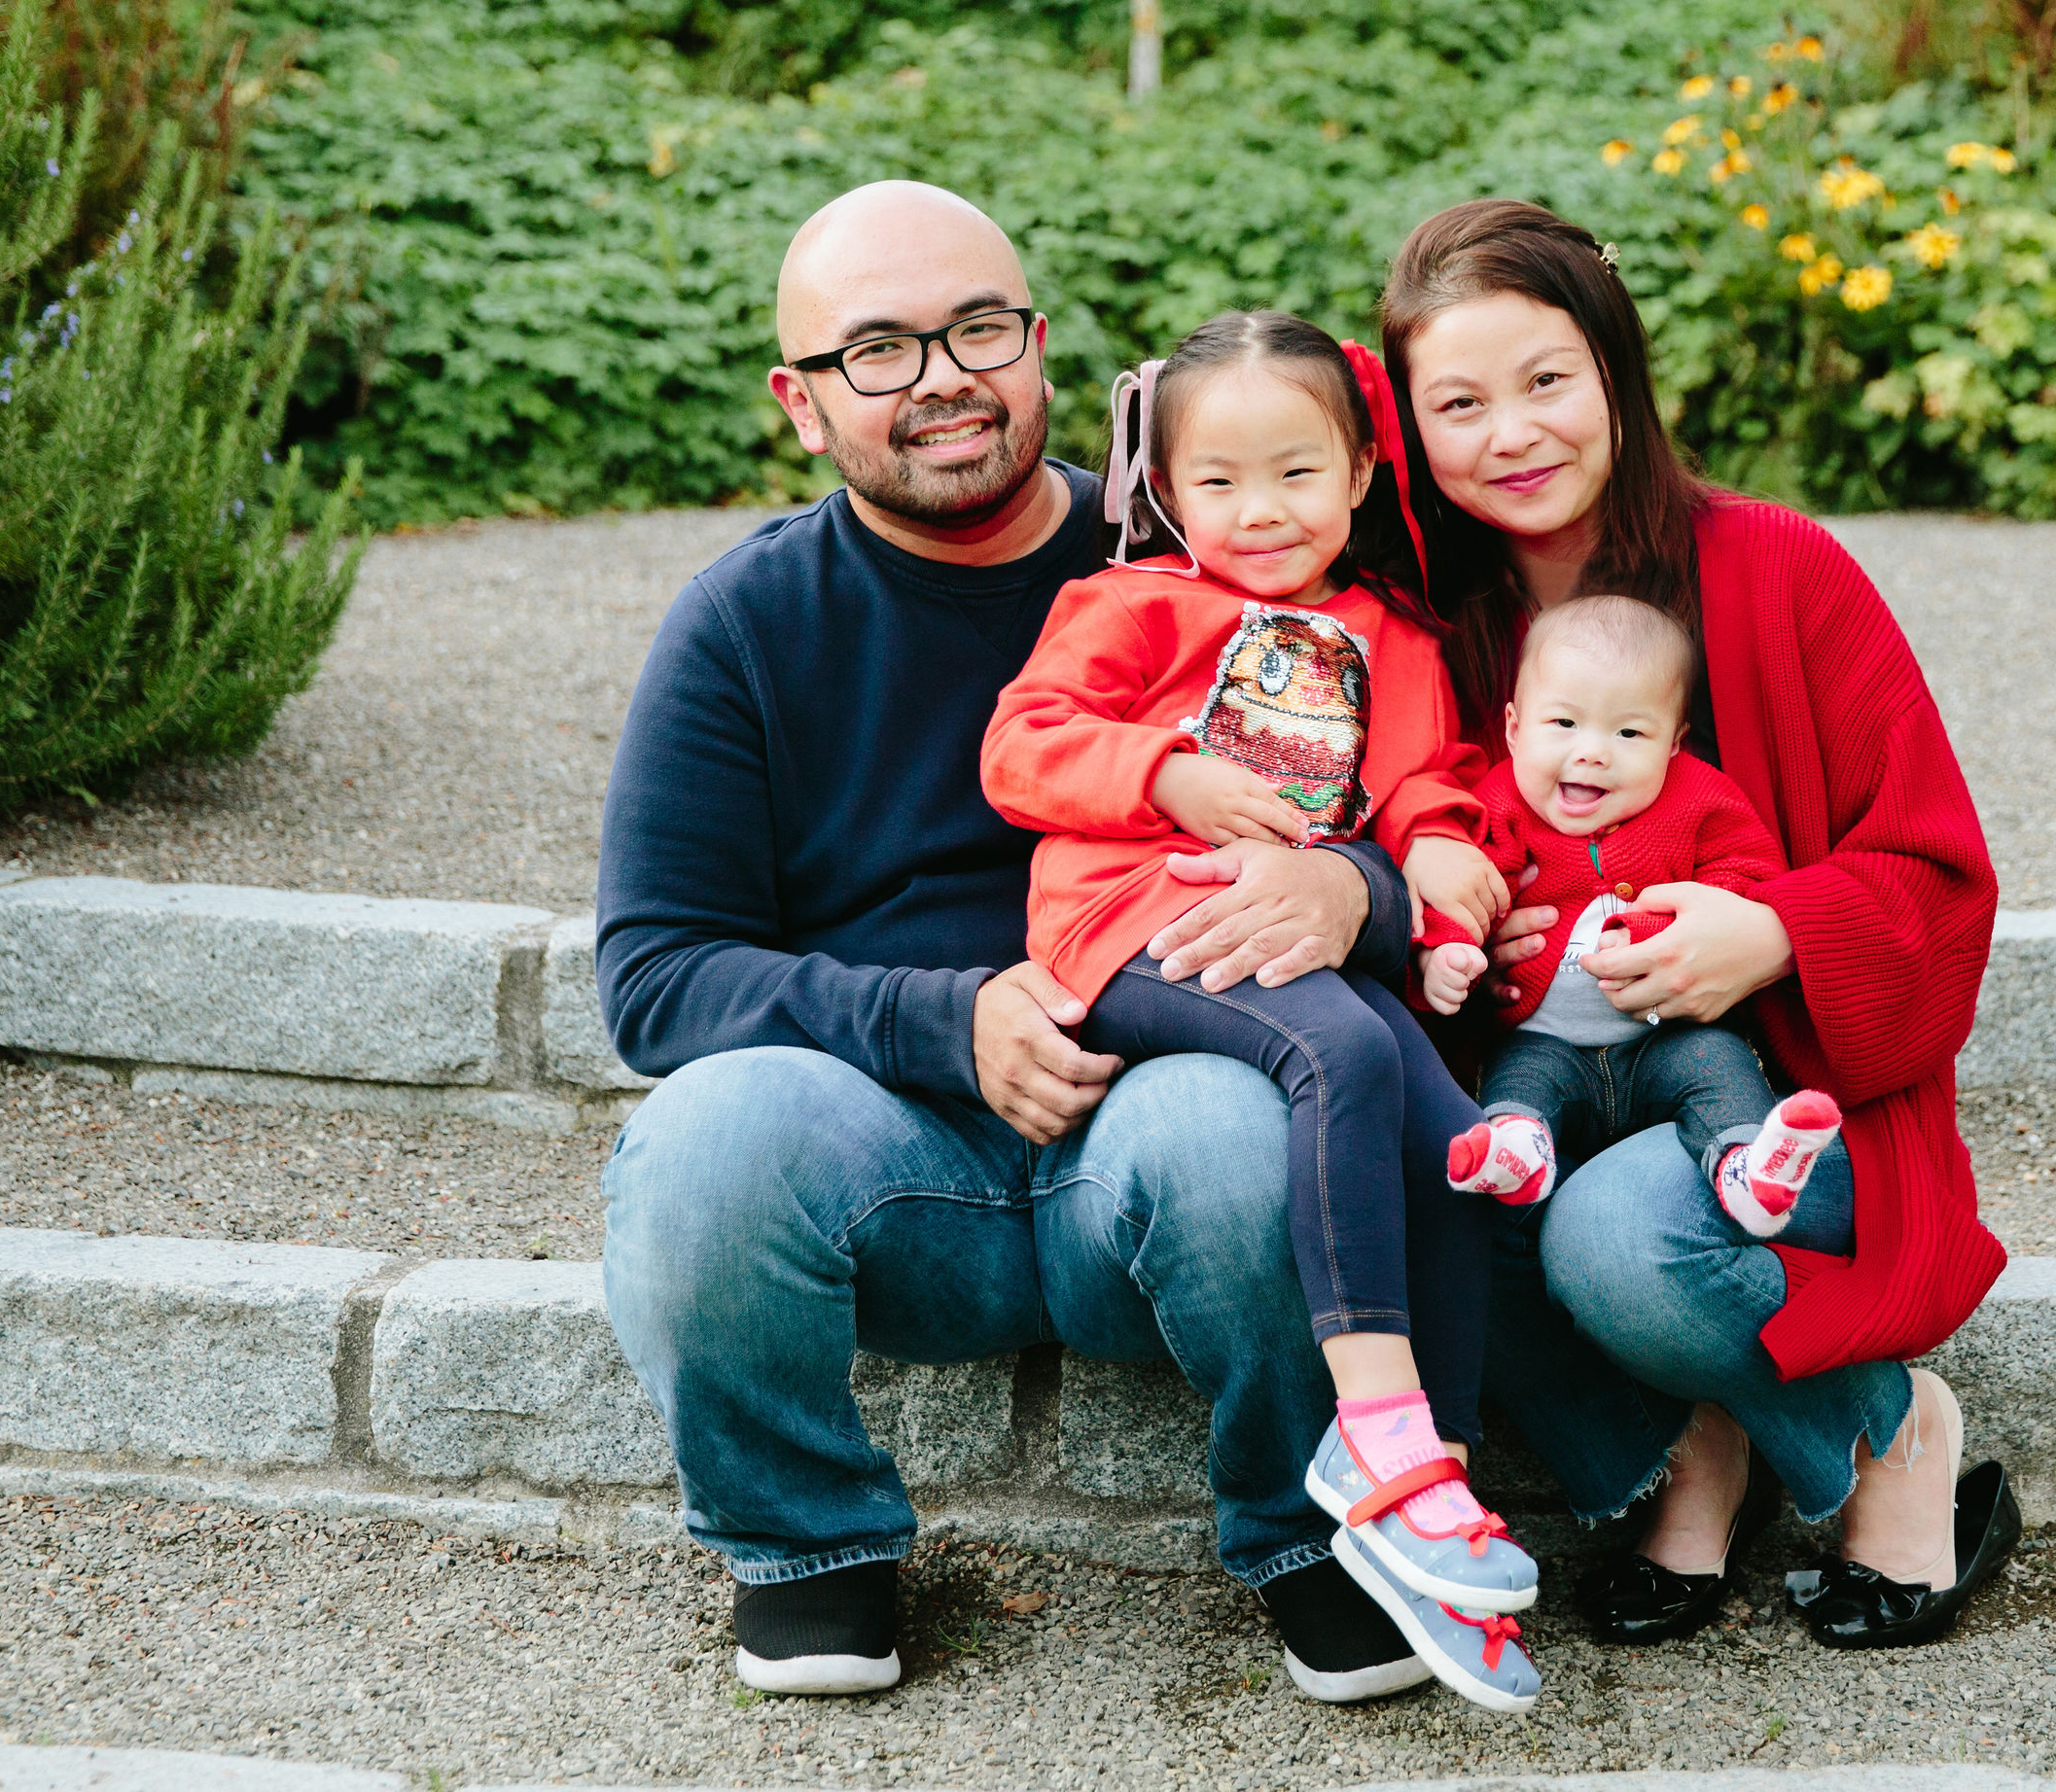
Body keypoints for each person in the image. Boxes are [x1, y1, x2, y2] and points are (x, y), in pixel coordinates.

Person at [593, 181, 1438, 1705]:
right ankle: (809, 1546)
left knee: (1254, 1132)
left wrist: (1364, 895)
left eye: (976, 327)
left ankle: (1309, 1531)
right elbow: (655, 974)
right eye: (878, 349)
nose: (940, 378)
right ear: (800, 402)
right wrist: (947, 1018)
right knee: (701, 1144)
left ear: (1040, 346)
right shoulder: (745, 621)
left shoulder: (1213, 553)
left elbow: (1416, 778)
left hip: (1168, 1113)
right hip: (889, 1153)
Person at [1381, 197, 2023, 1653]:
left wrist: (1777, 929)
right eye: (1459, 402)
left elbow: (1940, 869)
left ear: (1616, 363)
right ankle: (1701, 1440)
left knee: (1617, 1235)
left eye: (1547, 378)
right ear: (1411, 428)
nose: (1512, 432)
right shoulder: (1427, 623)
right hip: (1543, 1071)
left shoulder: (1783, 569)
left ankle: (1889, 1432)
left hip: (1787, 1105)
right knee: (1414, 1171)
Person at [981, 308, 1539, 1712]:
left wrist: (1443, 861)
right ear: (1164, 485)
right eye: (1217, 479)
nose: (1259, 510)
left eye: (1296, 472)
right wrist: (1163, 771)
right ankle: (1379, 1440)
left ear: (1360, 469)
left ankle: (1440, 1505)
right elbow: (1021, 742)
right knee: (1344, 1043)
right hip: (1130, 919)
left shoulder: (1385, 634)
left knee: (1455, 1141)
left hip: (1300, 942)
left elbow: (1422, 784)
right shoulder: (1127, 606)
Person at [1437, 593, 1847, 1243]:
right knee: (1518, 1076)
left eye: (1629, 732)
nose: (1593, 751)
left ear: (1674, 743)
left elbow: (1750, 874)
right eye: (1563, 723)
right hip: (1546, 1038)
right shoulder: (1501, 801)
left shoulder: (1700, 799)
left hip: (1664, 1035)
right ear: (1515, 727)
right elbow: (1467, 885)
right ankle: (1518, 1149)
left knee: (1719, 1064)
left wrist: (1694, 923)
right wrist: (1455, 950)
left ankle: (1749, 1164)